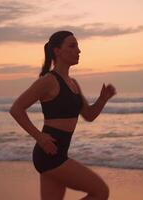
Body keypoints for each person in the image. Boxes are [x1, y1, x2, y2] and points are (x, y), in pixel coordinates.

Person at [10, 30, 116, 200]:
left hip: (57, 154)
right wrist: (41, 138)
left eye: (78, 46)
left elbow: (89, 115)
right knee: (100, 191)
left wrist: (103, 99)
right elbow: (16, 109)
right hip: (48, 153)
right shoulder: (48, 81)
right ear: (57, 51)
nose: (78, 51)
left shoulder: (73, 83)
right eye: (72, 46)